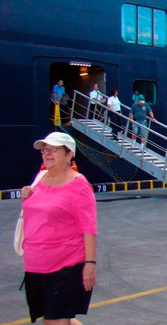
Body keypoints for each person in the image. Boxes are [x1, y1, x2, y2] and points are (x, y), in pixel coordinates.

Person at [21, 132, 97, 325]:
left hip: (66, 264)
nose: (47, 153)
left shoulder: (79, 185)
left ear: (69, 153)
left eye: (53, 149)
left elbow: (89, 228)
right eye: (45, 150)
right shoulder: (40, 178)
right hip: (35, 264)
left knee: (55, 321)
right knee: (52, 318)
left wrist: (90, 264)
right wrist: (26, 197)